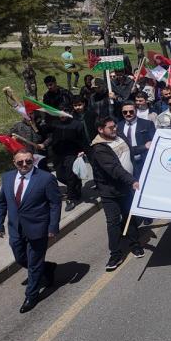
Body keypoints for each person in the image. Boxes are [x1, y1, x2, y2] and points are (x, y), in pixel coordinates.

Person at [0, 148, 61, 313]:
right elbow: (2, 202)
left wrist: (53, 226)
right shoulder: (7, 177)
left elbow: (55, 203)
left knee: (34, 263)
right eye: (20, 162)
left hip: (38, 228)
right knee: (21, 258)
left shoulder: (46, 179)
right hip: (15, 228)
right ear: (14, 163)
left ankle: (31, 295)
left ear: (33, 161)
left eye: (28, 161)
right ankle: (48, 268)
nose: (24, 164)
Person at [88, 117, 143, 270]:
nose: (114, 129)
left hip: (126, 187)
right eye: (110, 127)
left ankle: (135, 245)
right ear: (101, 130)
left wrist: (144, 147)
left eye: (115, 126)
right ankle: (115, 254)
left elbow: (129, 151)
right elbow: (114, 169)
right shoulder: (99, 149)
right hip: (110, 191)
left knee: (129, 216)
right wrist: (132, 181)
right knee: (113, 223)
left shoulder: (119, 136)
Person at [41, 107, 85, 211]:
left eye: (64, 113)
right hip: (58, 154)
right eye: (59, 113)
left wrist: (82, 151)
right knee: (60, 176)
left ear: (69, 113)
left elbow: (82, 138)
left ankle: (70, 198)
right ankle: (76, 185)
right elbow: (44, 131)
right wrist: (37, 122)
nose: (61, 115)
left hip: (72, 153)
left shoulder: (76, 124)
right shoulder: (55, 123)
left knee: (70, 175)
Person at [117, 100, 156, 179]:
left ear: (136, 111)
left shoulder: (147, 124)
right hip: (126, 162)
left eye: (131, 111)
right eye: (125, 112)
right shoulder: (119, 126)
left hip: (143, 161)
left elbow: (153, 142)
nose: (128, 114)